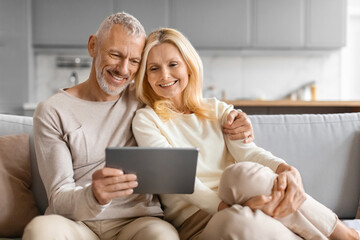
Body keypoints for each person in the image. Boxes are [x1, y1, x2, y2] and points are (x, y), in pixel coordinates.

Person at [22, 13, 253, 240]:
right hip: (77, 223)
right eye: (115, 54)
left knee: (162, 237)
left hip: (138, 221)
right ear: (93, 46)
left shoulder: (144, 95)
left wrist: (236, 117)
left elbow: (189, 103)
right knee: (40, 230)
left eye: (134, 61)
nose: (123, 70)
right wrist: (93, 195)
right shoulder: (52, 111)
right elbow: (59, 196)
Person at [132, 27, 360, 240]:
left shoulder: (217, 109)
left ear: (188, 66)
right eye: (154, 68)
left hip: (242, 198)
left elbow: (249, 153)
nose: (164, 75)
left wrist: (286, 169)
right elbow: (177, 178)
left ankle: (344, 234)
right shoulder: (147, 120)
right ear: (145, 76)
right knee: (234, 221)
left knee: (238, 176)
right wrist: (229, 208)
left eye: (173, 64)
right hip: (198, 219)